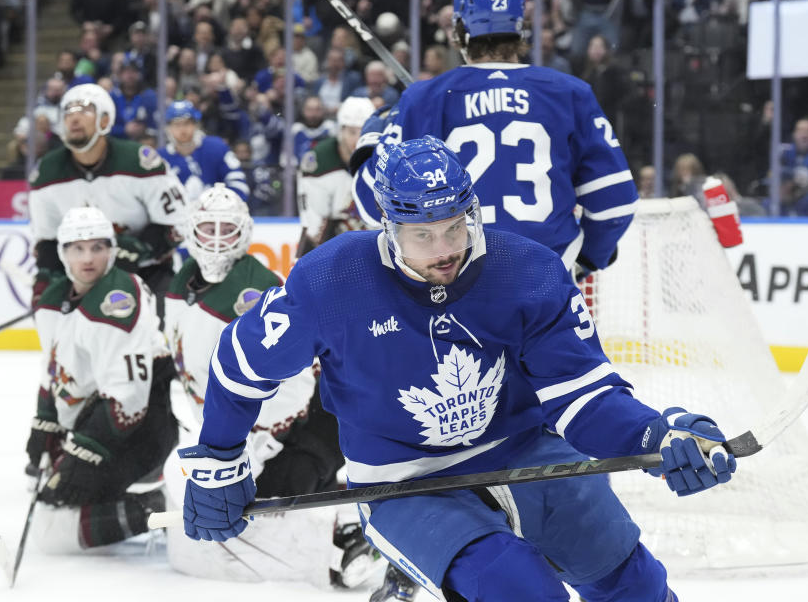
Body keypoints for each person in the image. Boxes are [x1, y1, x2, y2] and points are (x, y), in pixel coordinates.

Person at [174, 137, 736, 602]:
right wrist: (220, 461)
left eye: (454, 227)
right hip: (404, 481)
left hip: (524, 449)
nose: (444, 248)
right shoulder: (332, 281)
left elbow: (584, 397)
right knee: (518, 590)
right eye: (422, 235)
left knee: (636, 586)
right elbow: (238, 365)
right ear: (388, 229)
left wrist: (655, 432)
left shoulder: (527, 272)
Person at [351, 0, 638, 281]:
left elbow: (372, 204)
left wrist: (370, 140)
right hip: (545, 278)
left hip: (457, 283)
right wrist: (586, 258)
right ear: (522, 27)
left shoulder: (424, 99)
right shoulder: (569, 93)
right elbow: (614, 203)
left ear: (458, 31)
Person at [162, 184, 377, 587]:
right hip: (244, 432)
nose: (215, 241)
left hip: (304, 425)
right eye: (207, 229)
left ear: (243, 234)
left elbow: (293, 387)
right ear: (191, 232)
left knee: (259, 502)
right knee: (211, 496)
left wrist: (256, 447)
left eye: (227, 231)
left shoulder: (254, 290)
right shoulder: (179, 285)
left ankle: (352, 533)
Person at [25, 206, 177, 552]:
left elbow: (130, 400)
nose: (88, 258)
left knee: (59, 530)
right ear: (62, 254)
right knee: (54, 515)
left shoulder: (117, 299)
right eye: (77, 248)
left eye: (97, 247)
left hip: (141, 433)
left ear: (112, 250)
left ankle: (163, 509)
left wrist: (83, 453)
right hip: (97, 423)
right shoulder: (53, 300)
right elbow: (55, 370)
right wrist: (45, 422)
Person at [28, 83, 188, 307]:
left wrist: (140, 250)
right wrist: (45, 282)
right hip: (81, 279)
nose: (74, 119)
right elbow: (47, 241)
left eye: (84, 111)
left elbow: (177, 223)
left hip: (148, 273)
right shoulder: (47, 172)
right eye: (68, 112)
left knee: (160, 333)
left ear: (104, 120)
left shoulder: (140, 163)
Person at [296, 96, 375, 256]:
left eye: (364, 131)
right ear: (341, 130)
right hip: (330, 244)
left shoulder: (382, 157)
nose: (358, 139)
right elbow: (314, 224)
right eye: (352, 132)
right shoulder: (319, 160)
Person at [158, 100, 249, 202]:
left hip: (217, 214)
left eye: (187, 123)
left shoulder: (217, 147)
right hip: (178, 216)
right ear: (168, 128)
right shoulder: (161, 159)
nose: (182, 129)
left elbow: (239, 184)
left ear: (196, 125)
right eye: (177, 124)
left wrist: (222, 205)